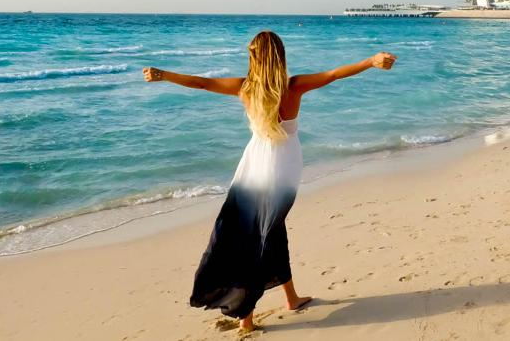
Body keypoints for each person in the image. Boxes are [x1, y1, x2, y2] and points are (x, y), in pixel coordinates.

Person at [143, 31, 397, 332]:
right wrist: (370, 61)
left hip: (253, 168)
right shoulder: (294, 86)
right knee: (264, 236)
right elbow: (333, 75)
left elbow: (202, 82)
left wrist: (164, 75)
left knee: (260, 233)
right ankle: (251, 316)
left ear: (254, 57)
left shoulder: (244, 88)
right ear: (281, 56)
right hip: (283, 173)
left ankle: (283, 300)